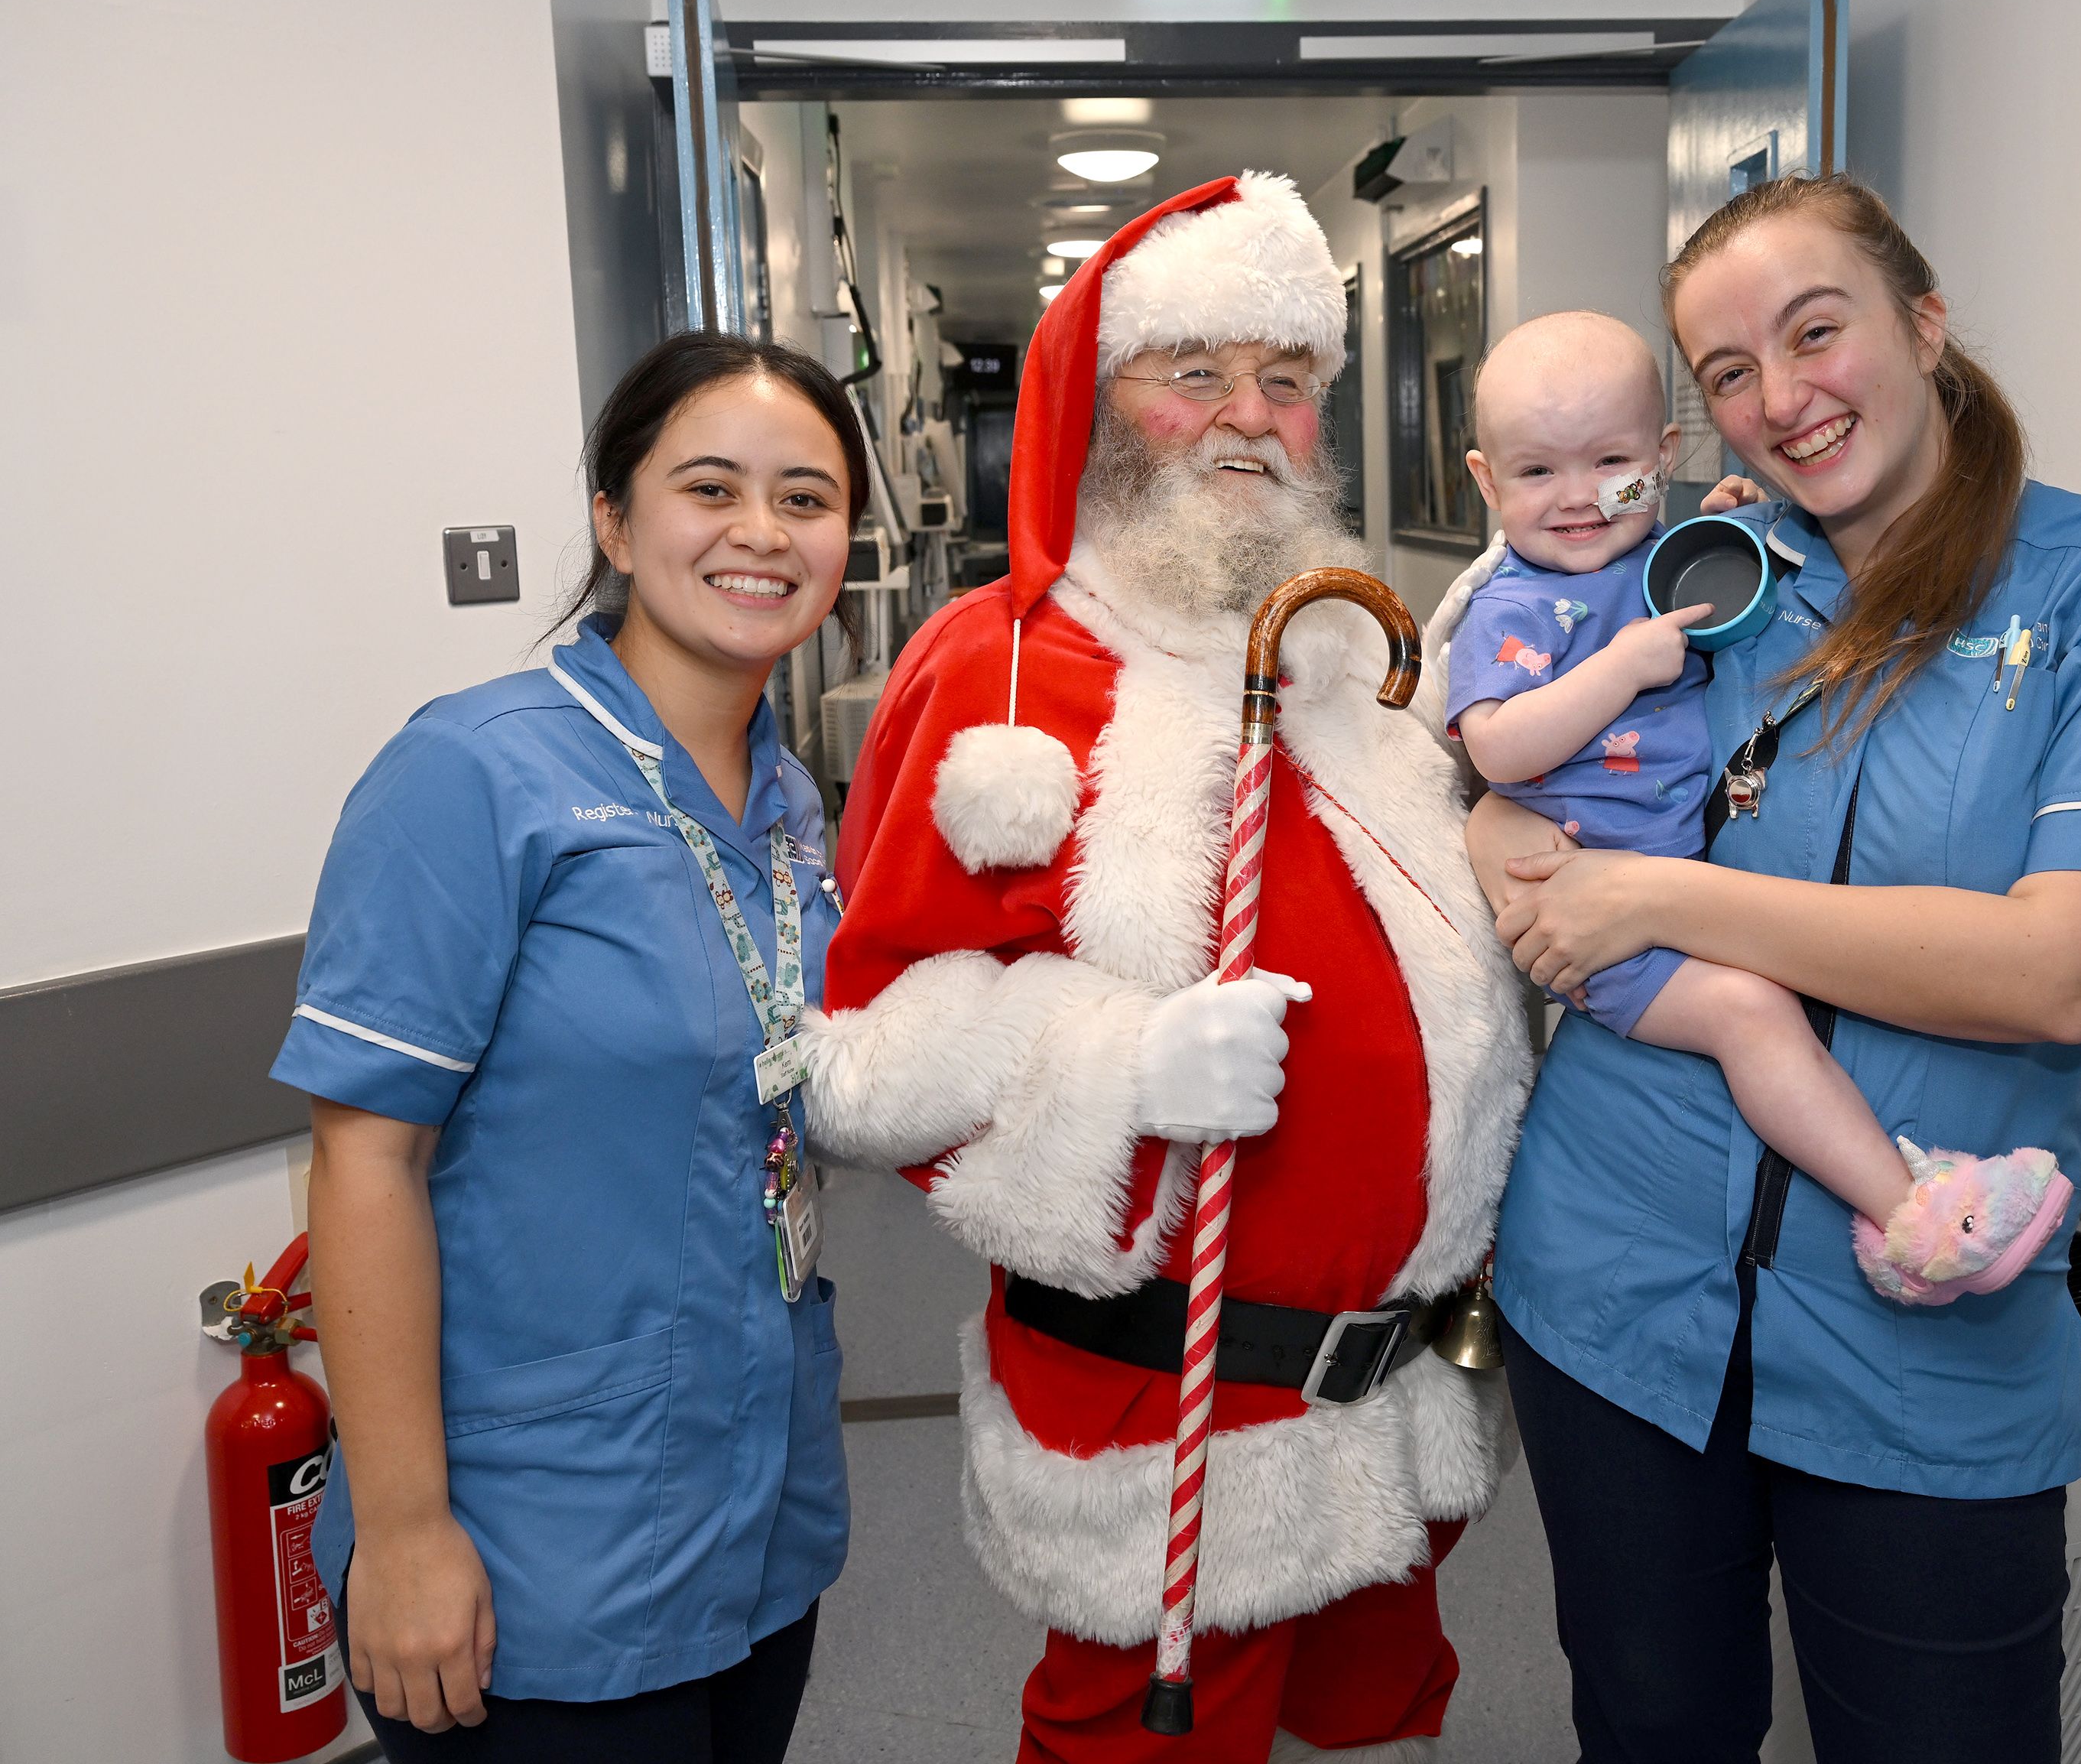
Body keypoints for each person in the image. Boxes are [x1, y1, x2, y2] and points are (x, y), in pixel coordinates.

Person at [1453, 174, 2081, 1760]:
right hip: (1611, 1289)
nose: (1785, 399)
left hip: (1923, 1341)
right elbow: (1502, 742)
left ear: (1924, 322)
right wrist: (1489, 826)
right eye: (1731, 372)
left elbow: (2062, 971)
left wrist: (1655, 894)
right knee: (1650, 1730)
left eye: (1818, 332)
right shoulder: (1703, 578)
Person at [799, 172, 1528, 1764]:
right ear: (1102, 400)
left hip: (1398, 1388)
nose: (1245, 417)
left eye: (1286, 378)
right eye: (1191, 371)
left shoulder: (1356, 654)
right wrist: (1126, 1069)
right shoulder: (1002, 669)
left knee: (1379, 1722)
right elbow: (861, 1052)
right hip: (1175, 1413)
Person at [274, 330, 862, 1760]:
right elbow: (364, 1157)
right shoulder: (477, 772)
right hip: (532, 1540)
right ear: (613, 518)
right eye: (709, 487)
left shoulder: (791, 806)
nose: (760, 535)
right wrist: (405, 1531)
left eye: (807, 498)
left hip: (752, 1506)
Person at [1442, 310, 2070, 1304]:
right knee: (1752, 1015)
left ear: (1663, 458)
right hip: (1601, 922)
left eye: (1609, 462)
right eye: (1535, 474)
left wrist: (1726, 515)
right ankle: (1914, 1219)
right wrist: (1615, 671)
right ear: (1485, 482)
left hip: (1678, 895)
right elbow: (1497, 744)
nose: (1574, 499)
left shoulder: (1661, 553)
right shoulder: (1517, 608)